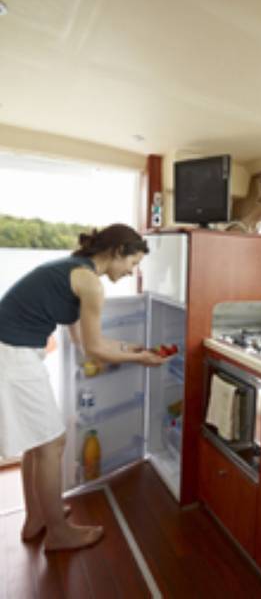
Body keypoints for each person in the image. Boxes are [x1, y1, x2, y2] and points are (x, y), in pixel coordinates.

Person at [0, 223, 167, 551]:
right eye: (133, 263)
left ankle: (36, 518)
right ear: (118, 252)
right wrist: (141, 359)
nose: (132, 271)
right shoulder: (90, 283)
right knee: (53, 443)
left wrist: (132, 348)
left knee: (38, 442)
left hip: (12, 351)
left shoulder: (74, 270)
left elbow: (83, 341)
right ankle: (58, 533)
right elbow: (95, 350)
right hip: (12, 355)